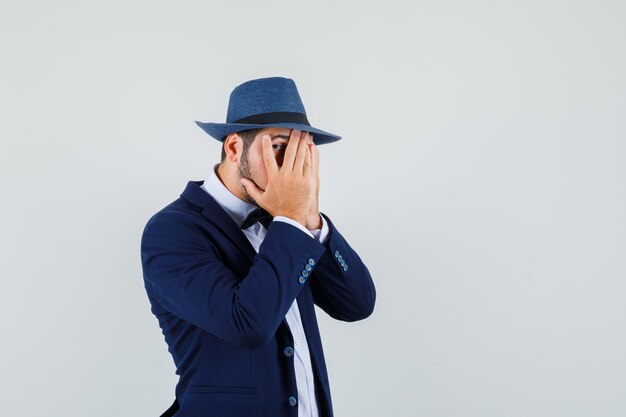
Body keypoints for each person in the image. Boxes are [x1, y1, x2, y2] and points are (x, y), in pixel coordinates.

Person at [140, 76, 376, 417]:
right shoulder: (172, 231)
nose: (294, 167)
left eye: (304, 150)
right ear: (234, 148)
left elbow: (357, 304)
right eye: (280, 147)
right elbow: (248, 325)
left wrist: (310, 219)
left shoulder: (287, 222)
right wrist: (292, 220)